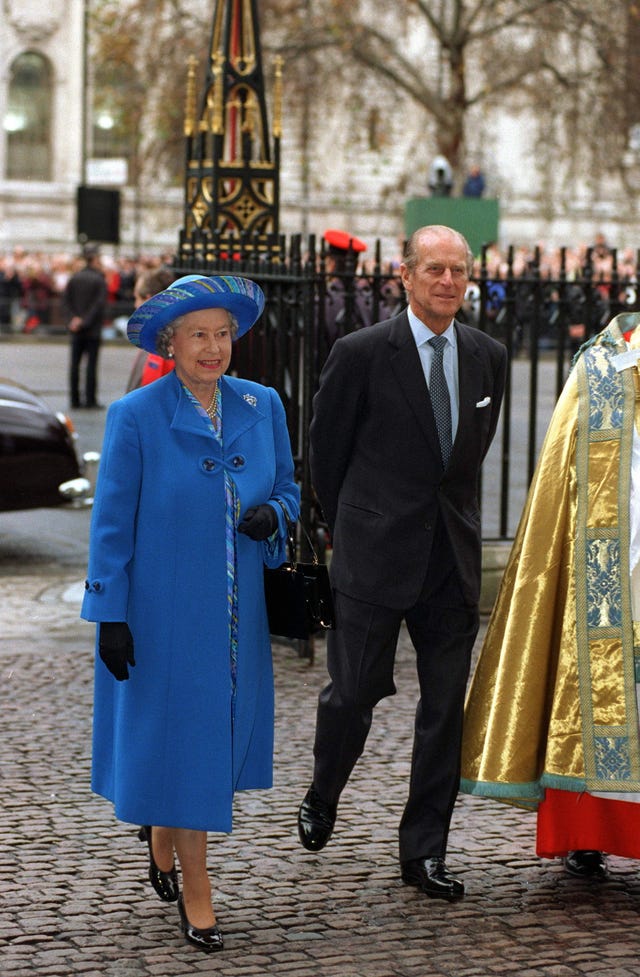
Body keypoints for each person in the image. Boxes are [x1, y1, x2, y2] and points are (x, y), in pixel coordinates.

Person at [81, 274, 300, 952]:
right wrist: (109, 614)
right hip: (160, 614)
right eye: (198, 334)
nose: (213, 348)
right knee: (189, 746)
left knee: (194, 743)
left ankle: (163, 842)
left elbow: (289, 489)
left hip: (239, 614)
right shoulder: (136, 416)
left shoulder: (263, 405)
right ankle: (198, 892)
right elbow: (110, 524)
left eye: (223, 334)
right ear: (170, 343)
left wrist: (275, 515)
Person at [297, 224, 507, 900]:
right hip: (374, 557)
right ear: (406, 277)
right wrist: (354, 526)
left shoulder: (489, 356)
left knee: (446, 710)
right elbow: (325, 455)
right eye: (433, 269)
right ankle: (324, 788)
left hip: (450, 561)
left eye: (457, 270)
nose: (447, 280)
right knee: (354, 693)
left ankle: (423, 852)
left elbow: (466, 459)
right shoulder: (361, 352)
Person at [461, 311, 640, 880]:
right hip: (615, 556)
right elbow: (564, 479)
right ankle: (588, 831)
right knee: (595, 688)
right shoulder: (601, 365)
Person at [63, 245, 107, 408]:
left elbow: (66, 302)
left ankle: (74, 399)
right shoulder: (99, 279)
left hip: (76, 329)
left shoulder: (74, 278)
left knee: (74, 364)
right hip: (92, 330)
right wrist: (85, 320)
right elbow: (98, 304)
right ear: (94, 260)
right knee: (91, 366)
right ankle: (90, 399)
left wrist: (73, 320)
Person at [125, 265, 177, 391]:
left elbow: (146, 393)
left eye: (137, 298)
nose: (135, 304)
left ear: (148, 299)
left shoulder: (158, 342)